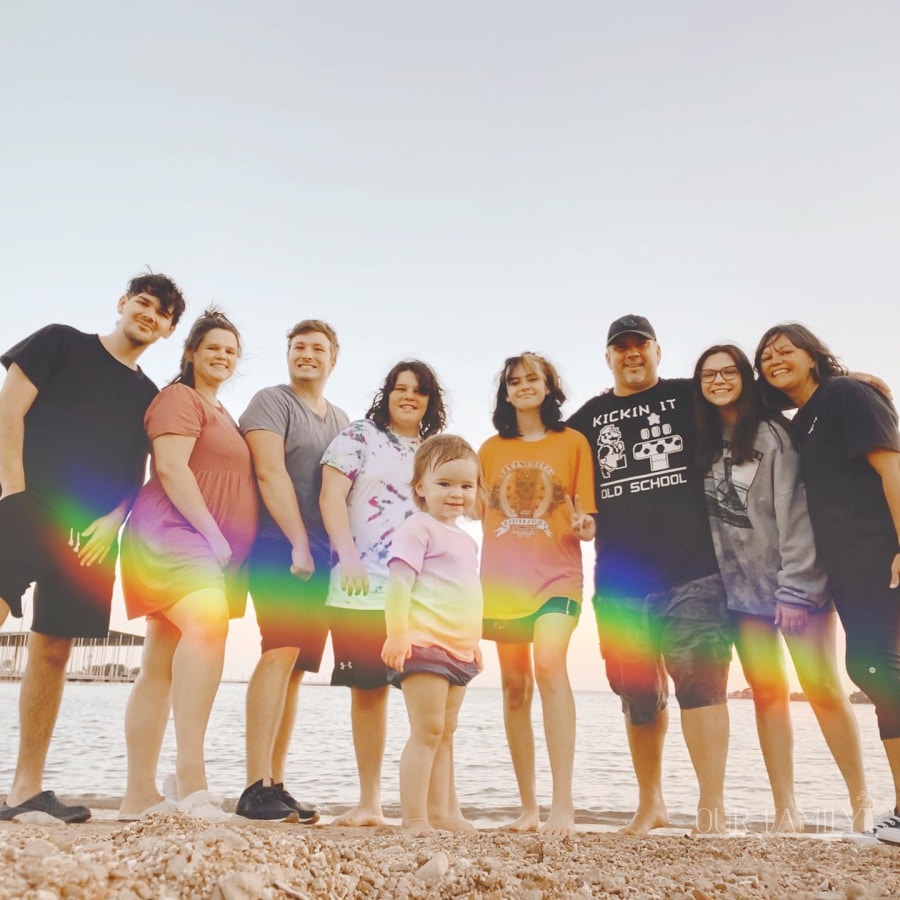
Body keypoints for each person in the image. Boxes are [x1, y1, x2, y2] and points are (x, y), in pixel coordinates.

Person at [0, 273, 185, 824]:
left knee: (54, 650)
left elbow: (135, 474)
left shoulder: (149, 397)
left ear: (168, 330)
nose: (149, 315)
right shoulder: (59, 341)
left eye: (162, 313)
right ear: (122, 303)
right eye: (143, 303)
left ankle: (25, 791)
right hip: (26, 503)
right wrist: (13, 491)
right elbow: (8, 411)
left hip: (90, 536)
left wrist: (113, 522)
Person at [567, 314, 733, 835]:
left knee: (702, 687)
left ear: (658, 351)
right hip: (620, 583)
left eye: (641, 345)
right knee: (637, 696)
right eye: (621, 347)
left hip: (694, 572)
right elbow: (544, 456)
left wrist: (852, 385)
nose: (632, 353)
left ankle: (711, 811)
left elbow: (754, 400)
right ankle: (650, 805)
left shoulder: (691, 396)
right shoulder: (586, 419)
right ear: (608, 358)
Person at [692, 343, 868, 832]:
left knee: (822, 689)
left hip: (797, 586)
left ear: (746, 378)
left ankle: (862, 806)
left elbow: (797, 515)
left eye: (729, 372)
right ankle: (786, 811)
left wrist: (795, 590)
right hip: (741, 592)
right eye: (708, 375)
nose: (719, 381)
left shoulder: (773, 436)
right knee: (768, 693)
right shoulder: (701, 440)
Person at [756, 323, 900, 844]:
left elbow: (891, 466)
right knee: (875, 669)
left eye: (786, 349)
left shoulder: (844, 394)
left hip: (881, 556)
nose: (775, 359)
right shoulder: (802, 423)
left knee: (875, 666)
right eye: (766, 356)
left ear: (813, 355)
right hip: (849, 568)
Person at [117, 310, 258, 821]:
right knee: (207, 622)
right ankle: (192, 779)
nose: (223, 355)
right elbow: (173, 469)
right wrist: (214, 535)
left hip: (206, 546)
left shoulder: (224, 412)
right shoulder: (180, 398)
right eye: (213, 347)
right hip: (174, 533)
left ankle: (139, 795)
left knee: (159, 661)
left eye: (231, 350)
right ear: (191, 353)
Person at [320, 360, 448, 827]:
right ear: (387, 394)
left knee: (428, 703)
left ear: (430, 401)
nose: (409, 396)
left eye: (419, 391)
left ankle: (432, 810)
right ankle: (370, 803)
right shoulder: (359, 435)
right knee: (369, 693)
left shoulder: (435, 452)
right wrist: (348, 555)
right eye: (400, 388)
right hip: (360, 586)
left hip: (422, 594)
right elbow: (330, 497)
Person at [479, 352, 596, 837]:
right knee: (514, 687)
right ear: (505, 393)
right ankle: (528, 809)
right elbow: (475, 506)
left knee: (549, 664)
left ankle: (562, 805)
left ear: (549, 387)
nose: (523, 386)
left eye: (533, 378)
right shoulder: (489, 449)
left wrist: (586, 526)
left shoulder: (573, 442)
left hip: (557, 578)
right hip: (502, 584)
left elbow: (587, 517)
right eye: (514, 381)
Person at [236, 320, 348, 822]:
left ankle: (275, 785)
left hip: (323, 556)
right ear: (288, 355)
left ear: (333, 359)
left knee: (298, 669)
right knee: (278, 651)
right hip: (276, 546)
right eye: (298, 346)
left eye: (317, 348)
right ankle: (253, 786)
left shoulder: (341, 420)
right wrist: (298, 541)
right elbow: (268, 471)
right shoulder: (271, 401)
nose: (306, 354)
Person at [381, 434, 484, 834]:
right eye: (445, 483)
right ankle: (414, 817)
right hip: (424, 645)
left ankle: (444, 813)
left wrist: (474, 643)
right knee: (427, 730)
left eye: (466, 485)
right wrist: (396, 634)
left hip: (459, 650)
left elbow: (466, 592)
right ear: (420, 487)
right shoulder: (418, 528)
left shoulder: (467, 540)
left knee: (446, 733)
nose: (457, 493)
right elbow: (399, 584)